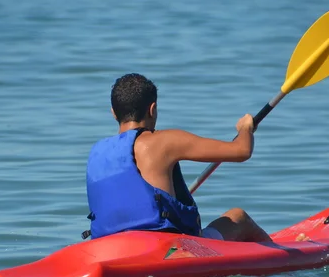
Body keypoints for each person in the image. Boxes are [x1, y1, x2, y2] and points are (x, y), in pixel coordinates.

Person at [83, 73, 275, 242]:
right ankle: (282, 255)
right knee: (238, 216)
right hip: (168, 247)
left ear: (113, 113)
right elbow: (241, 150)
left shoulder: (97, 152)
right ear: (152, 109)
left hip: (110, 246)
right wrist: (245, 129)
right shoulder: (164, 141)